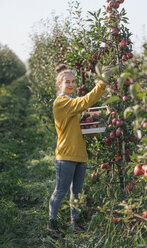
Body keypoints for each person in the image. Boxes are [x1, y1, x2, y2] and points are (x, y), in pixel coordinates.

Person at [47, 64, 108, 238]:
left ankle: (75, 223)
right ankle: (51, 224)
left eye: (73, 81)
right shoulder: (61, 102)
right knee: (60, 191)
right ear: (60, 84)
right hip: (66, 154)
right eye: (68, 82)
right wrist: (101, 83)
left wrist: (95, 125)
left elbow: (79, 127)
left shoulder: (72, 105)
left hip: (80, 154)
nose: (72, 85)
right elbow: (83, 102)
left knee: (77, 193)